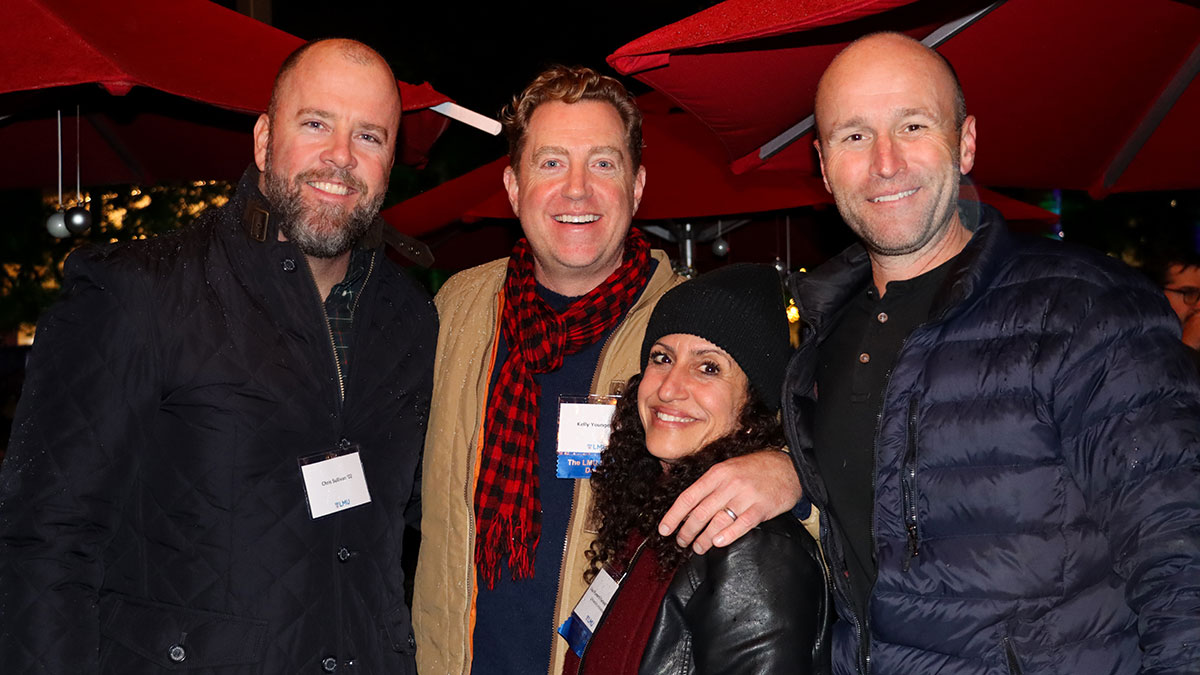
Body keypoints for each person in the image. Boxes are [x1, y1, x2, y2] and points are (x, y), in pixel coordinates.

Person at [0, 38, 436, 673]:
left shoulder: (411, 318)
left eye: (370, 136)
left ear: (390, 162)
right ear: (263, 140)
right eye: (315, 123)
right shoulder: (141, 292)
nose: (340, 157)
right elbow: (44, 541)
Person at [783, 32, 1200, 674]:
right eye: (854, 136)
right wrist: (784, 473)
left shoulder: (1083, 307)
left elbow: (1181, 555)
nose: (885, 163)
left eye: (913, 125)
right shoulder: (823, 334)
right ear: (822, 161)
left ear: (967, 142)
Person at [414, 66, 804, 675]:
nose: (577, 190)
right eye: (550, 164)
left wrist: (791, 473)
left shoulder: (687, 336)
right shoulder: (453, 312)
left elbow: (803, 435)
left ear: (637, 185)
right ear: (513, 187)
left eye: (602, 164)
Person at [565, 264, 829, 675]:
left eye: (708, 367)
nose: (668, 388)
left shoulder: (752, 548)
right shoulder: (654, 509)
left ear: (752, 406)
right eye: (661, 358)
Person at [1145, 243, 1200, 360]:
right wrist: (1188, 346)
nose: (1199, 305)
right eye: (1189, 293)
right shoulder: (1136, 341)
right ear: (1158, 293)